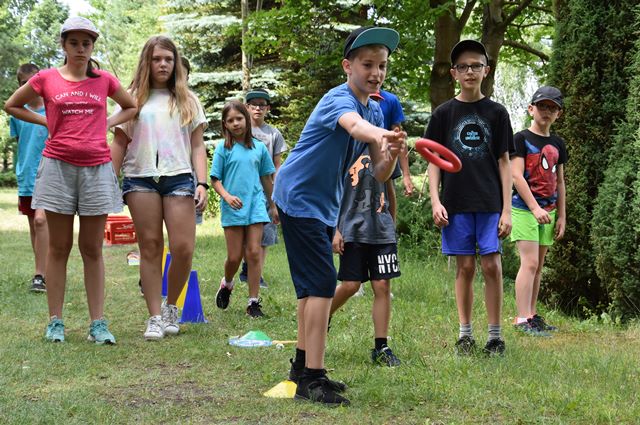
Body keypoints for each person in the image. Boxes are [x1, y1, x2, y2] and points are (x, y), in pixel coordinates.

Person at [273, 26, 405, 406]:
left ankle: (302, 369)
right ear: (348, 66)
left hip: (323, 204)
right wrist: (381, 134)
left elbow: (379, 172)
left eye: (382, 65)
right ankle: (313, 380)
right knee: (319, 286)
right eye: (367, 64)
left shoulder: (375, 108)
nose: (376, 73)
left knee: (311, 289)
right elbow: (355, 127)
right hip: (298, 196)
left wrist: (392, 152)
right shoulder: (338, 99)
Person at [4, 16, 137, 344]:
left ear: (92, 47)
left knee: (92, 248)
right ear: (63, 45)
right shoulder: (46, 78)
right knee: (59, 247)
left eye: (86, 43)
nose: (80, 48)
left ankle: (98, 324)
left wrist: (107, 122)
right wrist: (44, 121)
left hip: (96, 170)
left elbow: (131, 106)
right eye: (74, 43)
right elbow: (12, 105)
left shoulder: (104, 80)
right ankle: (56, 322)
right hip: (57, 170)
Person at [110, 35, 208, 341]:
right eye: (156, 59)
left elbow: (197, 146)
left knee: (183, 248)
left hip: (179, 177)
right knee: (150, 246)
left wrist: (202, 182)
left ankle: (171, 307)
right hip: (140, 178)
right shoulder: (132, 98)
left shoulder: (188, 99)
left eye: (168, 59)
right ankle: (154, 316)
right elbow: (119, 143)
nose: (163, 64)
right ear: (147, 62)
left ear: (175, 63)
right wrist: (109, 180)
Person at [425, 40, 513, 356]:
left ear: (486, 70)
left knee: (492, 265)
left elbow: (504, 162)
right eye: (463, 67)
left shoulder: (497, 113)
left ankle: (495, 337)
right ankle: (465, 335)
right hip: (456, 203)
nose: (470, 71)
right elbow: (434, 161)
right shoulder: (443, 114)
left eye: (476, 65)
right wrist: (436, 201)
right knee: (465, 267)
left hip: (490, 203)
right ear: (454, 73)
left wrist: (507, 210)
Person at [329, 145, 402, 367]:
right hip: (351, 228)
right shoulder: (342, 147)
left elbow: (390, 190)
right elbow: (332, 193)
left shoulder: (385, 148)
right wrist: (335, 230)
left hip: (381, 228)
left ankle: (381, 347)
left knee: (382, 286)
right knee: (350, 286)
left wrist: (391, 225)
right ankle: (323, 316)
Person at [211, 100, 277, 318]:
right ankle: (227, 283)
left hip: (256, 205)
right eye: (230, 120)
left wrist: (273, 206)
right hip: (233, 207)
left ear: (246, 120)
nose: (235, 123)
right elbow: (215, 180)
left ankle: (253, 302)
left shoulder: (259, 148)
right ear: (225, 124)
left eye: (239, 118)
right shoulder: (223, 148)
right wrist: (227, 196)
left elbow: (266, 178)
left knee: (254, 252)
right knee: (234, 257)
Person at [511, 86, 566, 336]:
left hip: (549, 211)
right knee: (530, 263)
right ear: (531, 109)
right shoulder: (520, 139)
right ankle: (521, 319)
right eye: (542, 106)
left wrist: (561, 215)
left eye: (552, 108)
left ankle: (532, 315)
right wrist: (534, 208)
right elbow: (516, 176)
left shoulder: (558, 144)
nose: (546, 111)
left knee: (539, 265)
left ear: (559, 114)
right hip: (524, 209)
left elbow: (560, 182)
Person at [238, 88, 287, 289]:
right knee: (245, 232)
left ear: (268, 108)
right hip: (244, 190)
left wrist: (277, 188)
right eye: (254, 105)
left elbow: (277, 164)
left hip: (267, 191)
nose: (258, 108)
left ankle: (256, 274)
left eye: (262, 105)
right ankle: (246, 267)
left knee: (266, 234)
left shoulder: (273, 134)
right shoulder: (241, 130)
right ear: (247, 107)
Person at [9, 63, 49, 293]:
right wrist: (20, 171)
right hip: (26, 176)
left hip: (49, 174)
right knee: (34, 225)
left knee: (41, 221)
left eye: (34, 82)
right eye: (24, 83)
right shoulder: (18, 113)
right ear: (19, 86)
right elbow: (21, 144)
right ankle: (42, 272)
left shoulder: (52, 109)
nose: (30, 87)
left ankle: (40, 274)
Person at [371, 89, 414, 196]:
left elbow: (398, 137)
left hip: (386, 155)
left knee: (388, 190)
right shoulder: (349, 99)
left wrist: (406, 175)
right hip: (359, 156)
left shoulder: (391, 100)